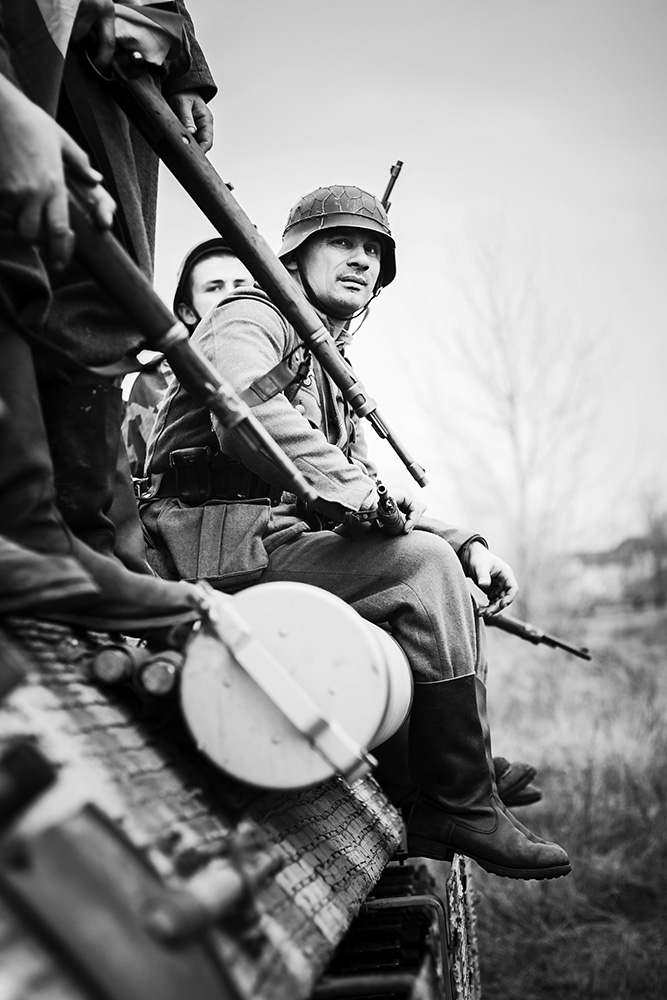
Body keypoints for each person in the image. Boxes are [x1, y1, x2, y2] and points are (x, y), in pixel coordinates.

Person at [141, 185, 570, 880]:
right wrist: (357, 499)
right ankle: (460, 801)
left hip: (270, 540)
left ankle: (442, 789)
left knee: (442, 567)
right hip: (211, 546)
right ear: (293, 256)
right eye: (341, 242)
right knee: (419, 567)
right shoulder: (248, 315)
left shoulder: (327, 363)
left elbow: (363, 479)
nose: (361, 260)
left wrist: (465, 542)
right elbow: (244, 414)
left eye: (373, 251)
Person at [0, 0, 204, 629]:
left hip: (114, 51)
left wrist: (186, 70)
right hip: (42, 44)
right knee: (33, 247)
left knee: (103, 287)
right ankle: (37, 539)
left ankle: (61, 545)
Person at [123, 238, 252, 479]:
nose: (233, 295)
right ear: (187, 312)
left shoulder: (284, 363)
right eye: (214, 287)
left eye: (241, 285)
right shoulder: (158, 379)